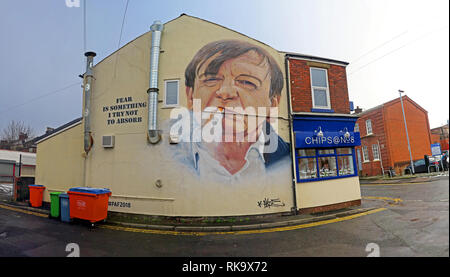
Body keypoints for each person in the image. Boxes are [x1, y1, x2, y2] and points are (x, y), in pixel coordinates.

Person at [168, 40, 290, 182]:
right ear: (190, 96)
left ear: (273, 104)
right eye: (211, 79)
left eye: (246, 82)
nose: (225, 92)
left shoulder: (290, 158)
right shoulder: (163, 155)